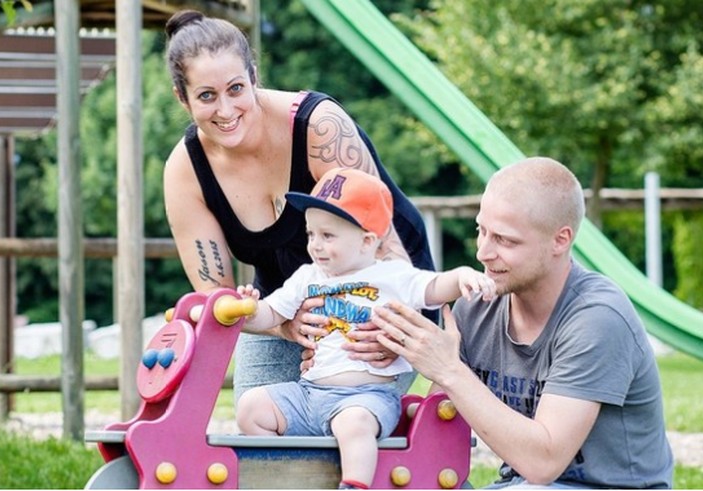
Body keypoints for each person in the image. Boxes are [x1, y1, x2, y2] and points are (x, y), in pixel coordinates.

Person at [161, 9, 438, 403]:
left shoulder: (319, 127)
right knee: (260, 426)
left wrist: (393, 331)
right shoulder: (185, 171)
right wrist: (284, 325)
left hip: (380, 294)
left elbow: (384, 242)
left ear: (254, 75)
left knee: (348, 417)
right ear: (183, 98)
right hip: (283, 304)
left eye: (236, 88)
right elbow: (218, 299)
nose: (225, 110)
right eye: (207, 96)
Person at [364, 157, 674, 488]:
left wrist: (449, 369)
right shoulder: (478, 307)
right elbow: (438, 429)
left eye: (505, 240)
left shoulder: (597, 317)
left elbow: (543, 464)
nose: (483, 252)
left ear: (560, 240)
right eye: (480, 230)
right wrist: (381, 365)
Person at [234, 167, 495, 490]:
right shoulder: (307, 276)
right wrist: (247, 310)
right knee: (251, 407)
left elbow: (435, 286)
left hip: (366, 397)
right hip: (309, 394)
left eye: (328, 236)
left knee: (355, 425)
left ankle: (355, 485)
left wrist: (463, 276)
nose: (315, 245)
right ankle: (287, 477)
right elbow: (272, 313)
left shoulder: (392, 276)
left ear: (367, 240)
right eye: (311, 234)